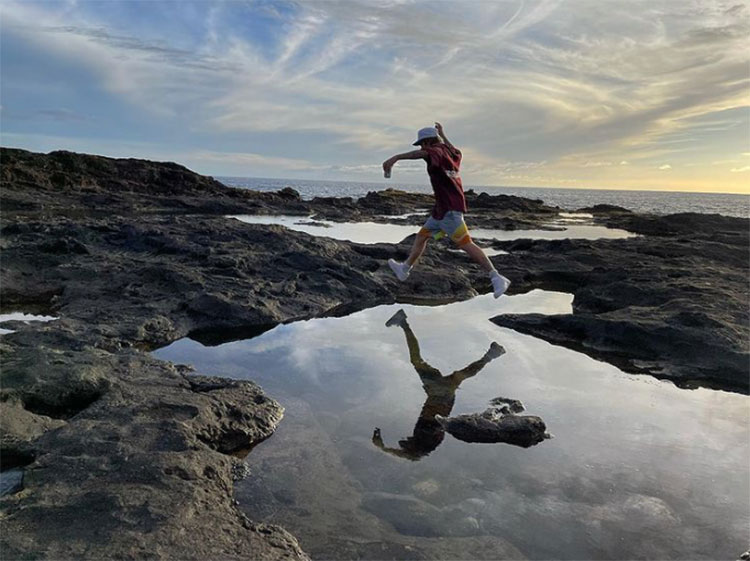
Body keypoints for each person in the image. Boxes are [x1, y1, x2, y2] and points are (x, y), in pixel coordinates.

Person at [382, 122, 511, 298]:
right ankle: (404, 269)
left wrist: (395, 158)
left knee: (466, 244)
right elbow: (454, 148)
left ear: (427, 142)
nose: (421, 146)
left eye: (422, 143)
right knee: (422, 237)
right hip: (441, 211)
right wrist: (443, 133)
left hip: (450, 212)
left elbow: (421, 154)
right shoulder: (452, 153)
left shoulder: (434, 151)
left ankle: (497, 277)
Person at [371, 309, 505, 461]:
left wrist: (385, 449)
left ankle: (492, 354)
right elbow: (411, 455)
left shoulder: (428, 440)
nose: (403, 442)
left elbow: (410, 454)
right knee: (428, 364)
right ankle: (403, 322)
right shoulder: (422, 443)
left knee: (453, 373)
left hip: (442, 396)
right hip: (438, 393)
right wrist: (383, 449)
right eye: (405, 444)